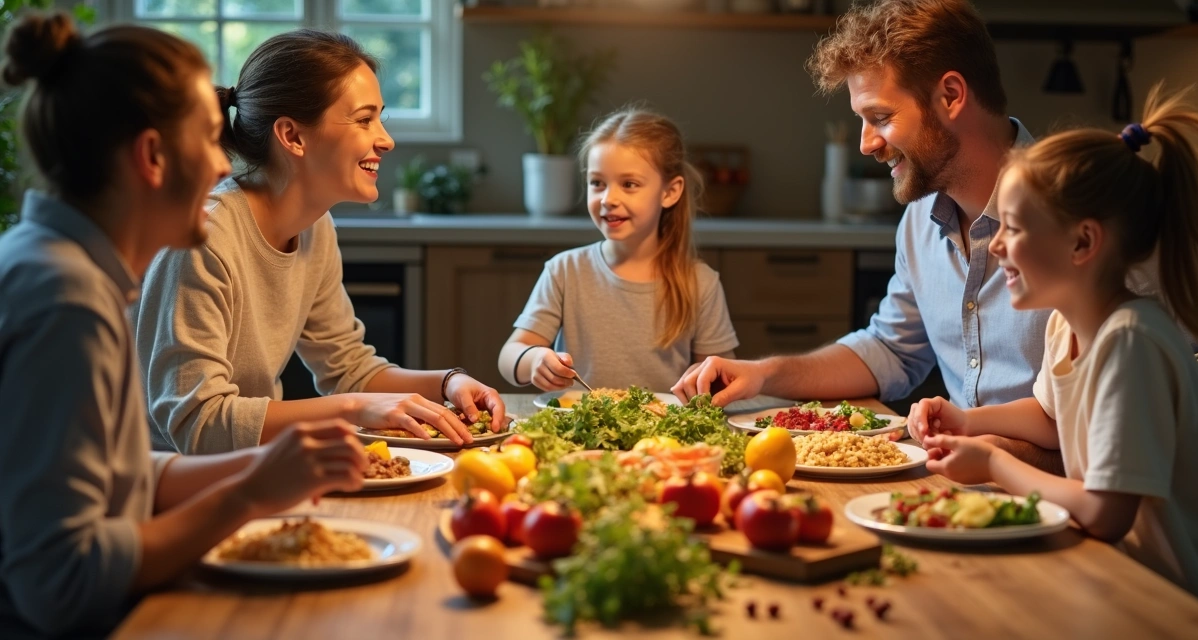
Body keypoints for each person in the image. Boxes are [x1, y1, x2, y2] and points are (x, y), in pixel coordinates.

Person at [673, 0, 1198, 472]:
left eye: (880, 116)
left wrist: (992, 455)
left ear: (951, 95)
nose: (866, 144)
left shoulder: (1091, 221)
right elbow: (891, 350)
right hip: (974, 485)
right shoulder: (921, 219)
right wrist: (764, 374)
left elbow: (1182, 411)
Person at [0, 15, 367, 637]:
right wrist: (246, 497)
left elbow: (117, 481)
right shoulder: (67, 304)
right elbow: (59, 587)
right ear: (151, 157)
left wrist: (267, 468)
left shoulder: (58, 267)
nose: (224, 168)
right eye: (206, 140)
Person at [911, 84, 1198, 606]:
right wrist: (969, 421)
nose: (997, 244)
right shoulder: (1067, 325)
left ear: (1082, 242)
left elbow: (1105, 512)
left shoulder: (1131, 341)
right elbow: (1053, 418)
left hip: (1172, 602)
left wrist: (993, 467)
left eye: (1013, 227)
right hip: (1115, 580)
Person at [133, 30, 505, 454]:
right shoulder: (203, 239)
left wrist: (446, 383)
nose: (386, 139)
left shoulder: (315, 226)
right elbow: (196, 424)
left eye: (380, 118)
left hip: (247, 470)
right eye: (364, 120)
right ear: (292, 136)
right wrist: (353, 409)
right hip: (161, 491)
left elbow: (348, 367)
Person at [498, 107, 738, 393]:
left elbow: (721, 377)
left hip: (661, 437)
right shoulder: (565, 270)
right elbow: (509, 356)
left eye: (629, 184)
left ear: (670, 192)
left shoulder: (701, 283)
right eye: (597, 183)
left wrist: (706, 383)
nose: (608, 198)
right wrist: (534, 358)